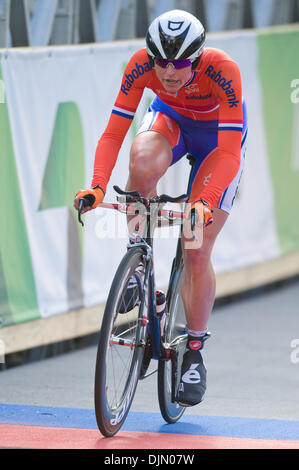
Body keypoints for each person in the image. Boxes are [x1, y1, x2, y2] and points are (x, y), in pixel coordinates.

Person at [74, 9, 248, 407]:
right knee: (141, 164)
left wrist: (204, 203)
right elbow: (115, 130)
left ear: (199, 56)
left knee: (195, 246)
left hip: (216, 143)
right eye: (161, 62)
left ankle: (194, 351)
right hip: (171, 121)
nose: (169, 73)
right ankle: (140, 269)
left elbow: (228, 152)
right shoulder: (140, 66)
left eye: (180, 63)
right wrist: (99, 184)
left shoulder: (224, 70)